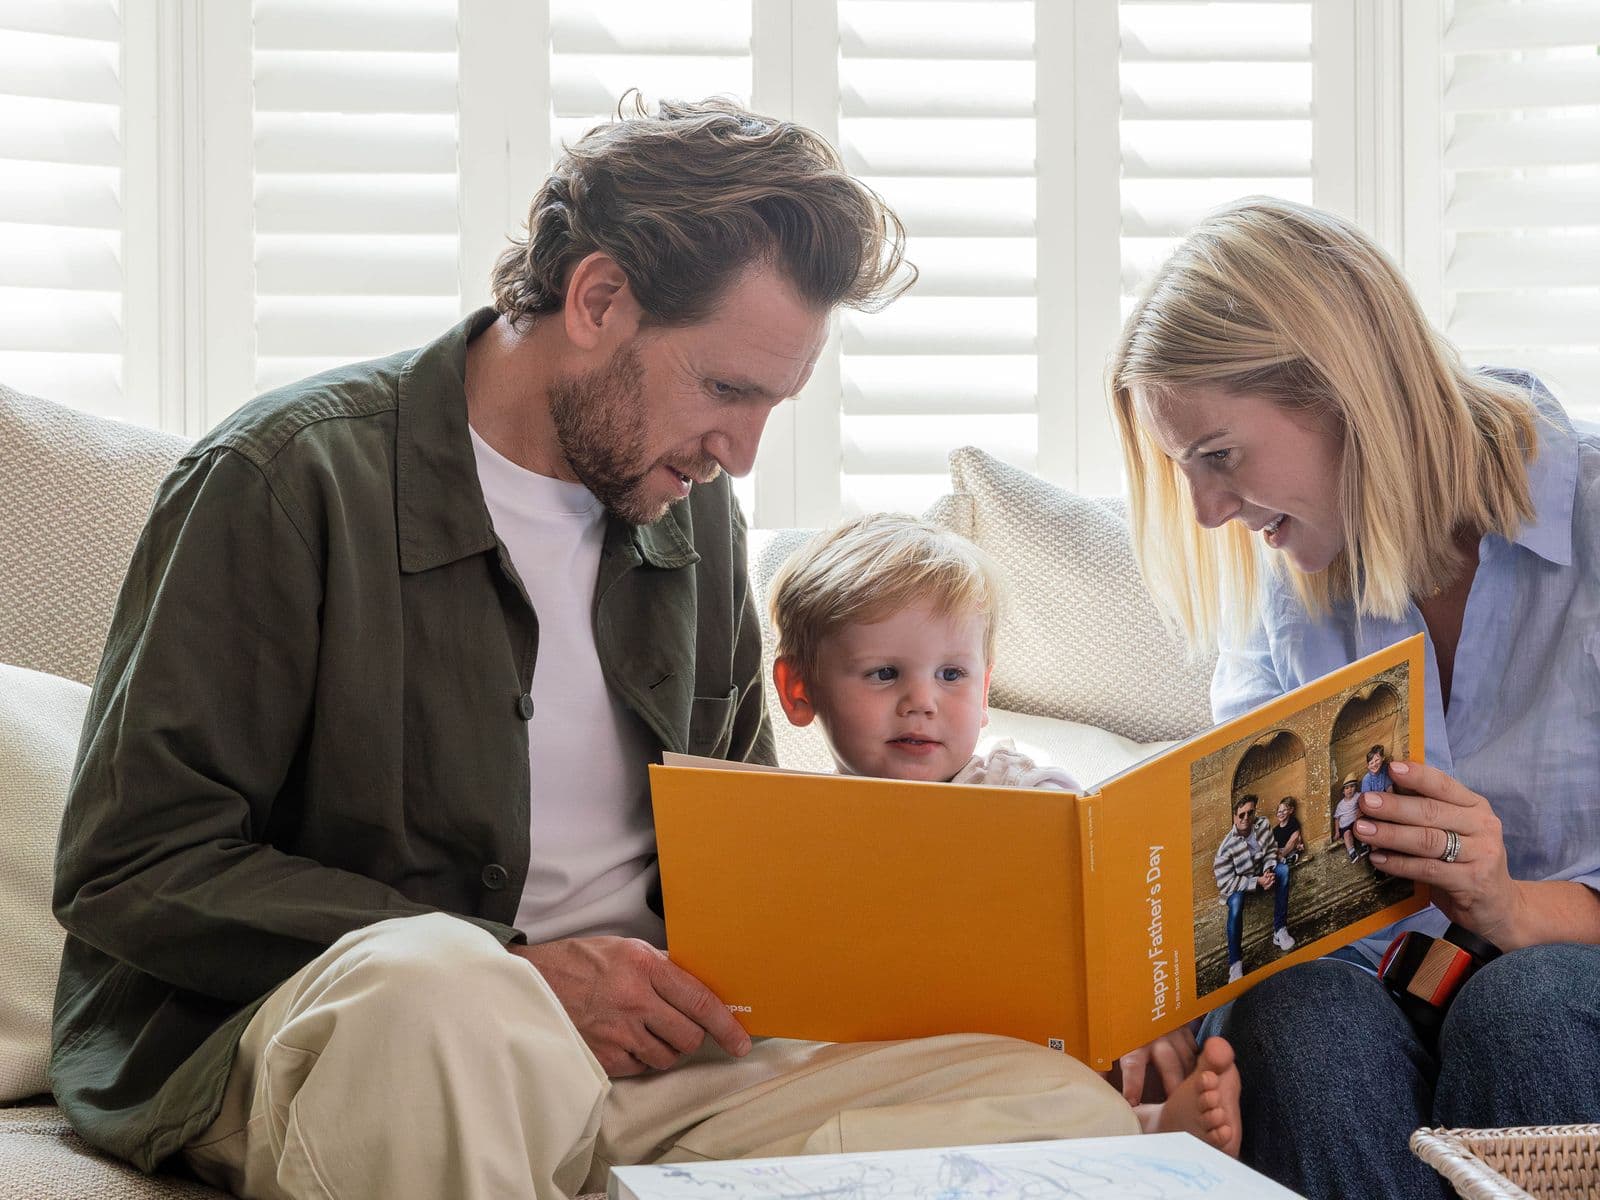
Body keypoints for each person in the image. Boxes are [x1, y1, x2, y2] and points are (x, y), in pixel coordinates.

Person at [53, 99, 1140, 1200]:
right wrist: (521, 970)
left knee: (1053, 1108)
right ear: (598, 297)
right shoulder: (288, 481)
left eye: (772, 403)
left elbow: (738, 837)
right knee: (444, 992)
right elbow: (134, 867)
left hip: (652, 1063)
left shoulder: (693, 515)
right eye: (725, 389)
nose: (743, 452)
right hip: (375, 1033)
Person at [1109, 195, 1600, 1198]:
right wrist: (1162, 975)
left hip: (1559, 988)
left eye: (1219, 457)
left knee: (1529, 1002)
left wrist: (1507, 904)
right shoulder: (1286, 581)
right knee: (1292, 1015)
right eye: (1183, 469)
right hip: (1373, 989)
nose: (1206, 513)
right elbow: (1246, 883)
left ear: (1342, 391)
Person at [766, 511, 1242, 1155]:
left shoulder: (1025, 794)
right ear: (800, 690)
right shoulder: (786, 823)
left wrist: (1144, 1014)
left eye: (951, 675)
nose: (921, 701)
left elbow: (1129, 918)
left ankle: (1150, 1130)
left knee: (1066, 1084)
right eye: (884, 674)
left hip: (1027, 1059)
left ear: (985, 690)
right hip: (883, 1074)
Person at [1212, 795, 1296, 984]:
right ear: (1234, 817)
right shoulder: (1225, 849)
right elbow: (1226, 883)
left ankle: (1280, 930)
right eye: (1241, 815)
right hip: (1240, 884)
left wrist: (1267, 871)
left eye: (1250, 813)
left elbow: (1270, 850)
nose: (1246, 818)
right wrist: (1256, 881)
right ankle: (1235, 963)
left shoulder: (1263, 825)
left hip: (1261, 873)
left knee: (1283, 871)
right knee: (1235, 904)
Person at [1333, 776, 1368, 861]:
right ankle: (1352, 852)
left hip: (1355, 821)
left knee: (1360, 827)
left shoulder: (1357, 796)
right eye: (1347, 788)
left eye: (1352, 787)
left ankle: (1364, 845)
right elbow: (1337, 818)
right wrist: (1337, 832)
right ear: (1343, 792)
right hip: (1344, 826)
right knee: (1347, 834)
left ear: (1355, 788)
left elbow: (1363, 800)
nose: (1350, 790)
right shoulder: (1341, 805)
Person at [1271, 796, 1306, 867]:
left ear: (1291, 810)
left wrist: (1282, 855)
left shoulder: (1293, 822)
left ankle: (1288, 858)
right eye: (1279, 812)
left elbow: (1293, 840)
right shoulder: (1275, 830)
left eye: (1284, 810)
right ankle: (1284, 860)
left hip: (1290, 849)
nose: (1281, 814)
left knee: (1298, 838)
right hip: (1280, 852)